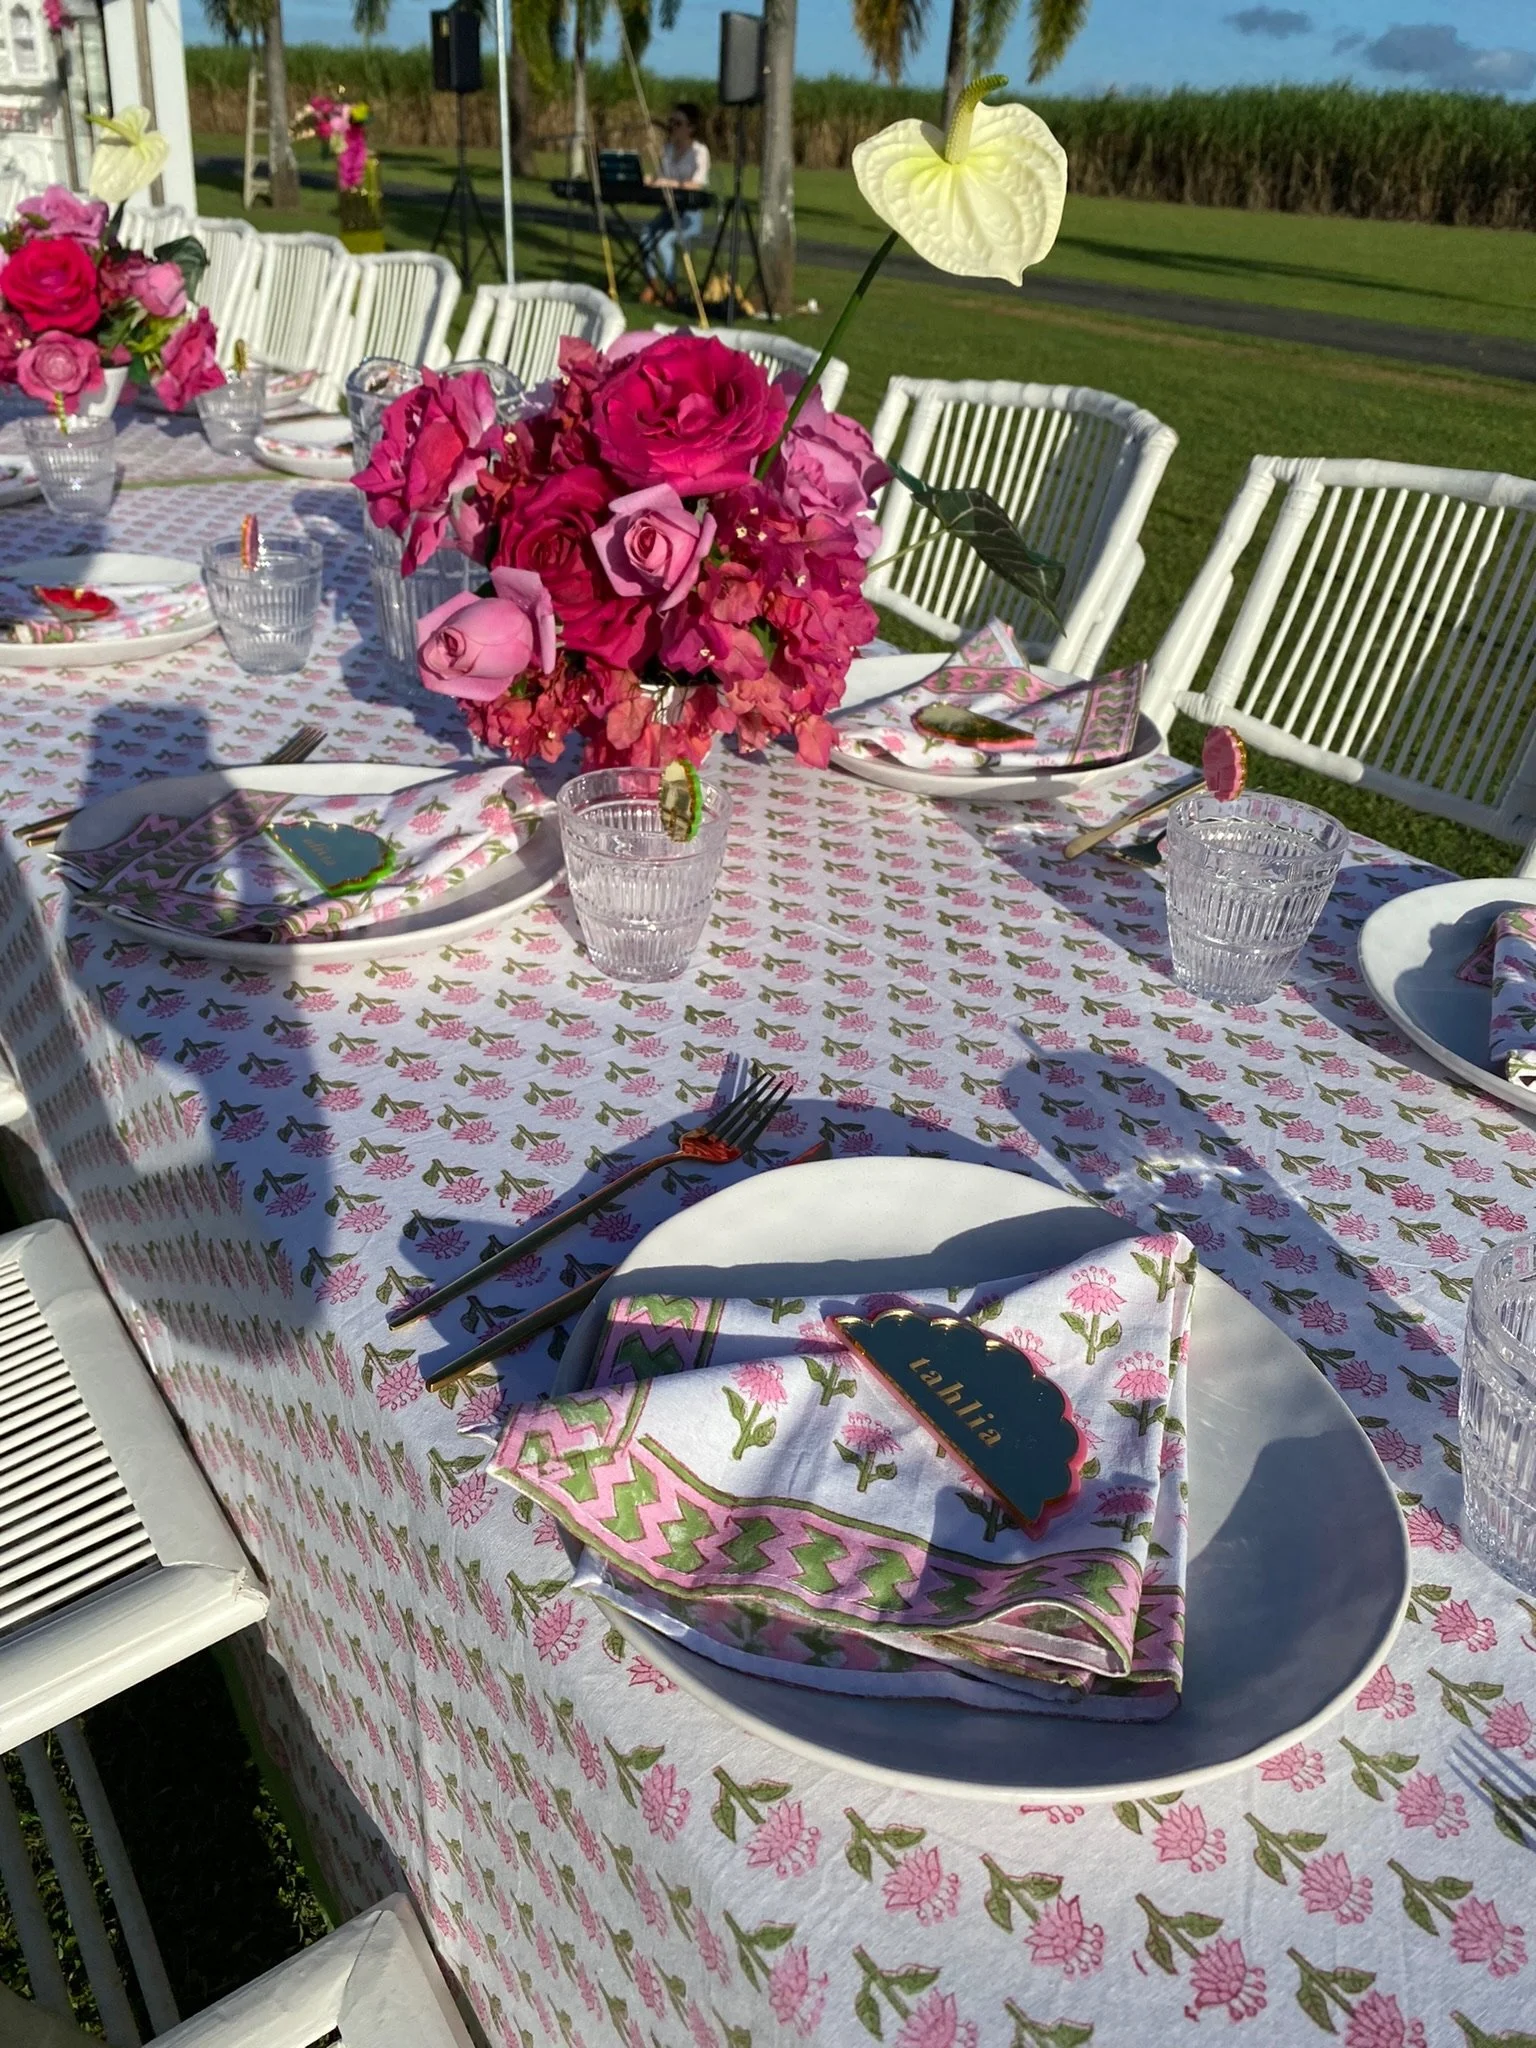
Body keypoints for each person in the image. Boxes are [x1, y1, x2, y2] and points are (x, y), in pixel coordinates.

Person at [639, 103, 711, 306]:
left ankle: (671, 288)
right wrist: (649, 180)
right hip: (669, 211)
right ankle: (652, 283)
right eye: (671, 123)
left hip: (690, 215)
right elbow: (662, 178)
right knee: (645, 234)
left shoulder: (699, 151)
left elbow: (696, 184)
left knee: (664, 241)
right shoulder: (667, 150)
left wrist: (670, 183)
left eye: (678, 123)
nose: (672, 127)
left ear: (691, 128)